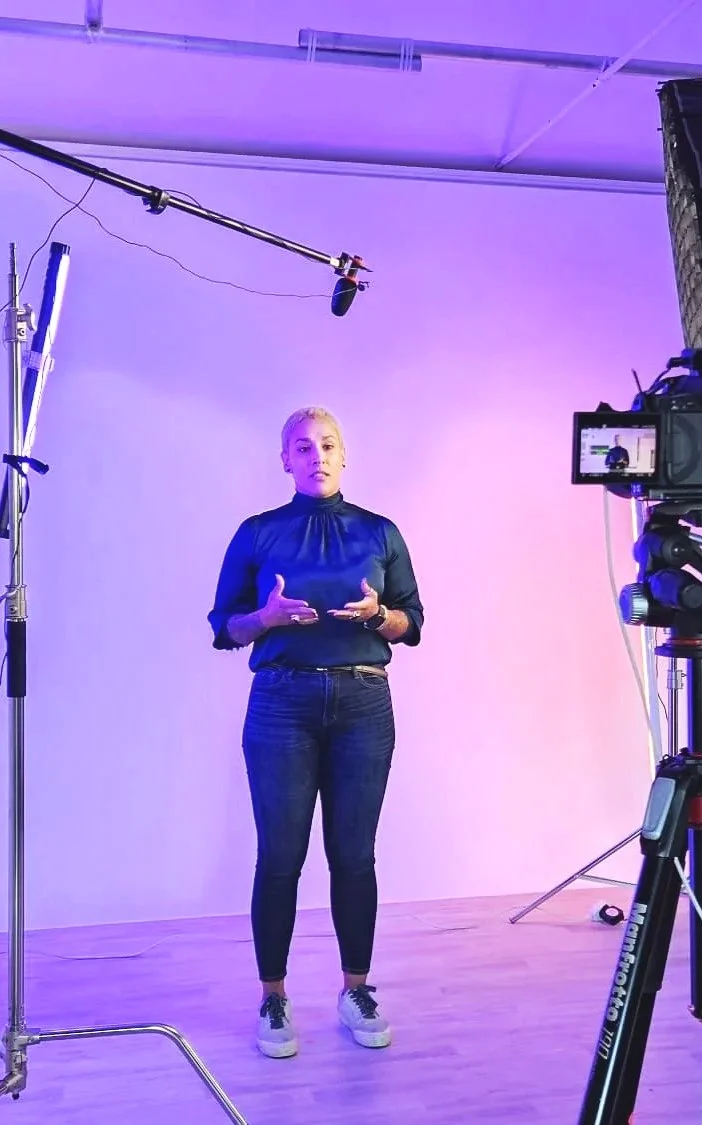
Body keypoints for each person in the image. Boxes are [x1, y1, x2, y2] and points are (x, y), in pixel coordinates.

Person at [207, 406, 423, 1059]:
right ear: (284, 459)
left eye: (327, 444)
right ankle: (273, 997)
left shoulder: (380, 532)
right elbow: (224, 626)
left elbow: (413, 621)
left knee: (354, 855)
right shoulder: (257, 532)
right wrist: (266, 617)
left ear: (343, 454)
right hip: (281, 704)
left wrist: (378, 613)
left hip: (363, 701)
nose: (316, 454)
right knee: (280, 857)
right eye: (302, 446)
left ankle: (355, 989)